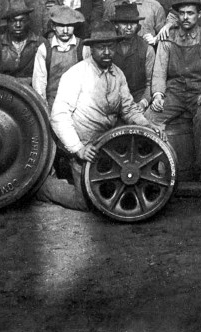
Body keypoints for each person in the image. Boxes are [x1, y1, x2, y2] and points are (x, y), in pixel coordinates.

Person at [39, 25, 160, 211]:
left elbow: (128, 109)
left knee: (114, 197)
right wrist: (78, 149)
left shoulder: (117, 74)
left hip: (108, 146)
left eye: (111, 47)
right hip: (83, 146)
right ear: (91, 49)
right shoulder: (76, 74)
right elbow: (58, 116)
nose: (106, 52)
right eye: (100, 48)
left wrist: (146, 124)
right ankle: (44, 187)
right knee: (88, 203)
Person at [148, 0, 201, 180]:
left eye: (190, 13)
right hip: (174, 92)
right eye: (182, 13)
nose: (186, 17)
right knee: (149, 118)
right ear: (177, 15)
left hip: (198, 92)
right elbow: (159, 71)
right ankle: (154, 168)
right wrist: (157, 95)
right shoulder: (168, 37)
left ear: (199, 14)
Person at [32, 6, 87, 107]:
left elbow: (89, 82)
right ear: (53, 26)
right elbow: (39, 85)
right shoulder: (44, 49)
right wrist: (45, 109)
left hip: (79, 104)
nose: (65, 30)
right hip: (53, 103)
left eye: (69, 25)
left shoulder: (83, 48)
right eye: (61, 26)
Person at [110, 3, 156, 109]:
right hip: (113, 98)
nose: (129, 27)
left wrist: (143, 103)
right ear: (116, 25)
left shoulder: (146, 49)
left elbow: (150, 83)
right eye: (124, 23)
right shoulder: (108, 48)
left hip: (137, 98)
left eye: (133, 23)